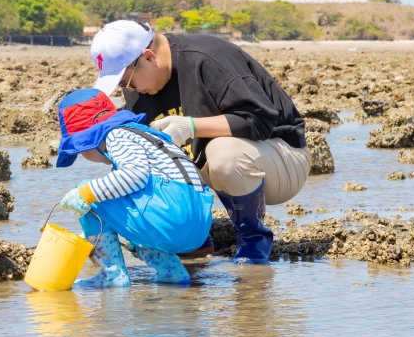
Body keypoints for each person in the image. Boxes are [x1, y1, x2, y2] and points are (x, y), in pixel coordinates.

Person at [89, 20, 310, 264]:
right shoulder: (139, 86)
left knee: (222, 153)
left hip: (282, 158)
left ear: (149, 58)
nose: (129, 90)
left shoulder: (208, 58)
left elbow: (259, 121)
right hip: (216, 169)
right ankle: (194, 239)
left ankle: (253, 240)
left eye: (125, 82)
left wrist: (192, 126)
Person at [56, 88, 213, 287]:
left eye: (79, 150)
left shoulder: (116, 136)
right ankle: (170, 272)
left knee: (87, 192)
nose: (81, 155)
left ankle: (111, 276)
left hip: (171, 217)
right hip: (199, 226)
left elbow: (134, 176)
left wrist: (84, 194)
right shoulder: (142, 135)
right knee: (118, 194)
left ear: (91, 139)